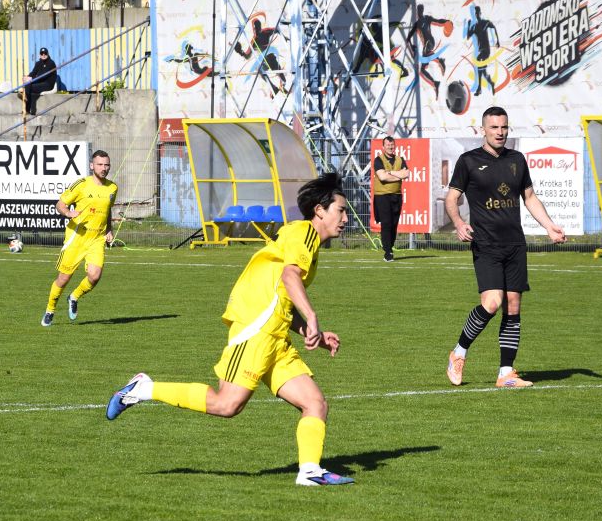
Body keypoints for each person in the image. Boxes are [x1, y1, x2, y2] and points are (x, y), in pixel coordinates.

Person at [106, 172, 355, 487]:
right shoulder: (305, 232)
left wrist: (311, 332)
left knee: (315, 403)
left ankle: (310, 471)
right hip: (256, 329)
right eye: (340, 210)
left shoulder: (308, 243)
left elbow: (281, 296)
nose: (345, 218)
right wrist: (313, 316)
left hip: (275, 336)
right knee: (226, 404)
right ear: (319, 210)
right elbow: (289, 277)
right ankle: (143, 389)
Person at [444, 106, 566, 388]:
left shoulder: (517, 160)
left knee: (512, 306)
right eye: (494, 127)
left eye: (504, 127)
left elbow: (530, 197)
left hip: (515, 244)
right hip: (485, 244)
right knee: (492, 303)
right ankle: (458, 353)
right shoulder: (469, 161)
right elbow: (452, 198)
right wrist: (459, 223)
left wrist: (549, 226)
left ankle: (506, 373)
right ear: (483, 130)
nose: (500, 132)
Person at [41, 150, 117, 327]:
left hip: (96, 239)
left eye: (106, 165)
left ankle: (74, 297)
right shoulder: (82, 184)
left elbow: (107, 210)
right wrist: (68, 213)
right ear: (92, 166)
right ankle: (50, 310)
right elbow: (60, 204)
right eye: (100, 164)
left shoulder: (112, 188)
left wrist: (109, 229)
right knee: (63, 278)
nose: (103, 168)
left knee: (94, 276)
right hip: (77, 238)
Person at [372, 135, 410, 262]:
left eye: (392, 145)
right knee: (387, 222)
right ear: (383, 146)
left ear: (395, 146)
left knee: (394, 224)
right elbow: (382, 177)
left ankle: (390, 247)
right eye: (388, 145)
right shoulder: (378, 160)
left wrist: (390, 173)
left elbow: (406, 174)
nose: (390, 147)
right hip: (382, 195)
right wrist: (398, 175)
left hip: (397, 195)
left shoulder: (400, 159)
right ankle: (387, 251)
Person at [21, 47, 57, 116]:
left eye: (45, 53)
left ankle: (27, 108)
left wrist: (31, 78)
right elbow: (33, 73)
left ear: (48, 54)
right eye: (42, 53)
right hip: (40, 82)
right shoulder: (38, 63)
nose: (43, 55)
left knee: (29, 87)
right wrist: (27, 77)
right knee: (28, 84)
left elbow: (44, 75)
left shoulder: (51, 63)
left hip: (48, 84)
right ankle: (27, 107)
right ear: (40, 55)